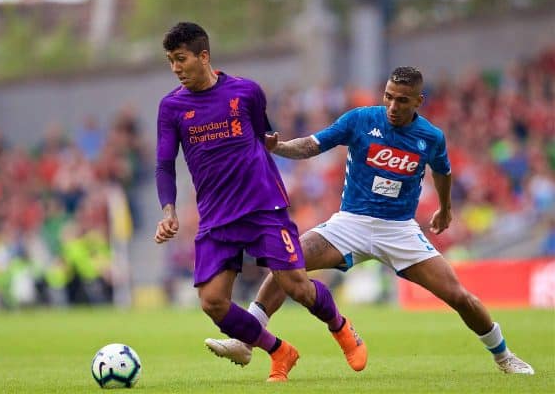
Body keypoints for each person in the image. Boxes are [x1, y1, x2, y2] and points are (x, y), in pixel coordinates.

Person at [205, 66, 535, 375]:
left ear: (419, 101)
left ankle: (504, 356)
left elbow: (443, 172)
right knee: (287, 261)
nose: (393, 105)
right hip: (350, 223)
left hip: (399, 230)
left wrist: (446, 209)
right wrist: (280, 148)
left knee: (460, 297)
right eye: (389, 96)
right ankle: (246, 340)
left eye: (402, 100)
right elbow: (313, 145)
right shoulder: (361, 120)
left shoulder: (430, 137)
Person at [154, 22, 367, 382]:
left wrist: (272, 143)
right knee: (212, 302)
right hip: (216, 216)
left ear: (203, 57)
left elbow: (263, 136)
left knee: (295, 285)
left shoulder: (247, 92)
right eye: (170, 61)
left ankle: (342, 328)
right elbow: (163, 163)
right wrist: (169, 210)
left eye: (181, 59)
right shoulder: (172, 107)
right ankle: (280, 351)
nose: (175, 68)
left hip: (262, 206)